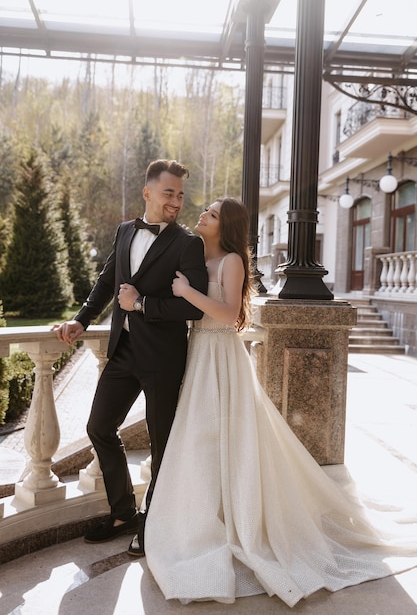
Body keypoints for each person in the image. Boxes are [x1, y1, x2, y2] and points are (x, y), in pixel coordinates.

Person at [143, 197, 417, 607]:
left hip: (222, 353)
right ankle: (201, 517)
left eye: (213, 214)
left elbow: (230, 312)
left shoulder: (232, 261)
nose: (203, 214)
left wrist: (186, 292)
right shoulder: (196, 255)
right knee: (199, 436)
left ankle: (242, 520)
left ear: (226, 226)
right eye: (207, 210)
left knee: (230, 434)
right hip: (199, 353)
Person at [54, 159, 208, 547]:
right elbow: (108, 282)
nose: (176, 201)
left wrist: (142, 304)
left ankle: (153, 525)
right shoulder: (125, 231)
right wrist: (81, 321)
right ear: (148, 193)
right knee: (99, 427)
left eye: (180, 194)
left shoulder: (189, 244)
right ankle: (123, 513)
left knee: (162, 444)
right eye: (168, 192)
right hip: (122, 352)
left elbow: (194, 307)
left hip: (163, 359)